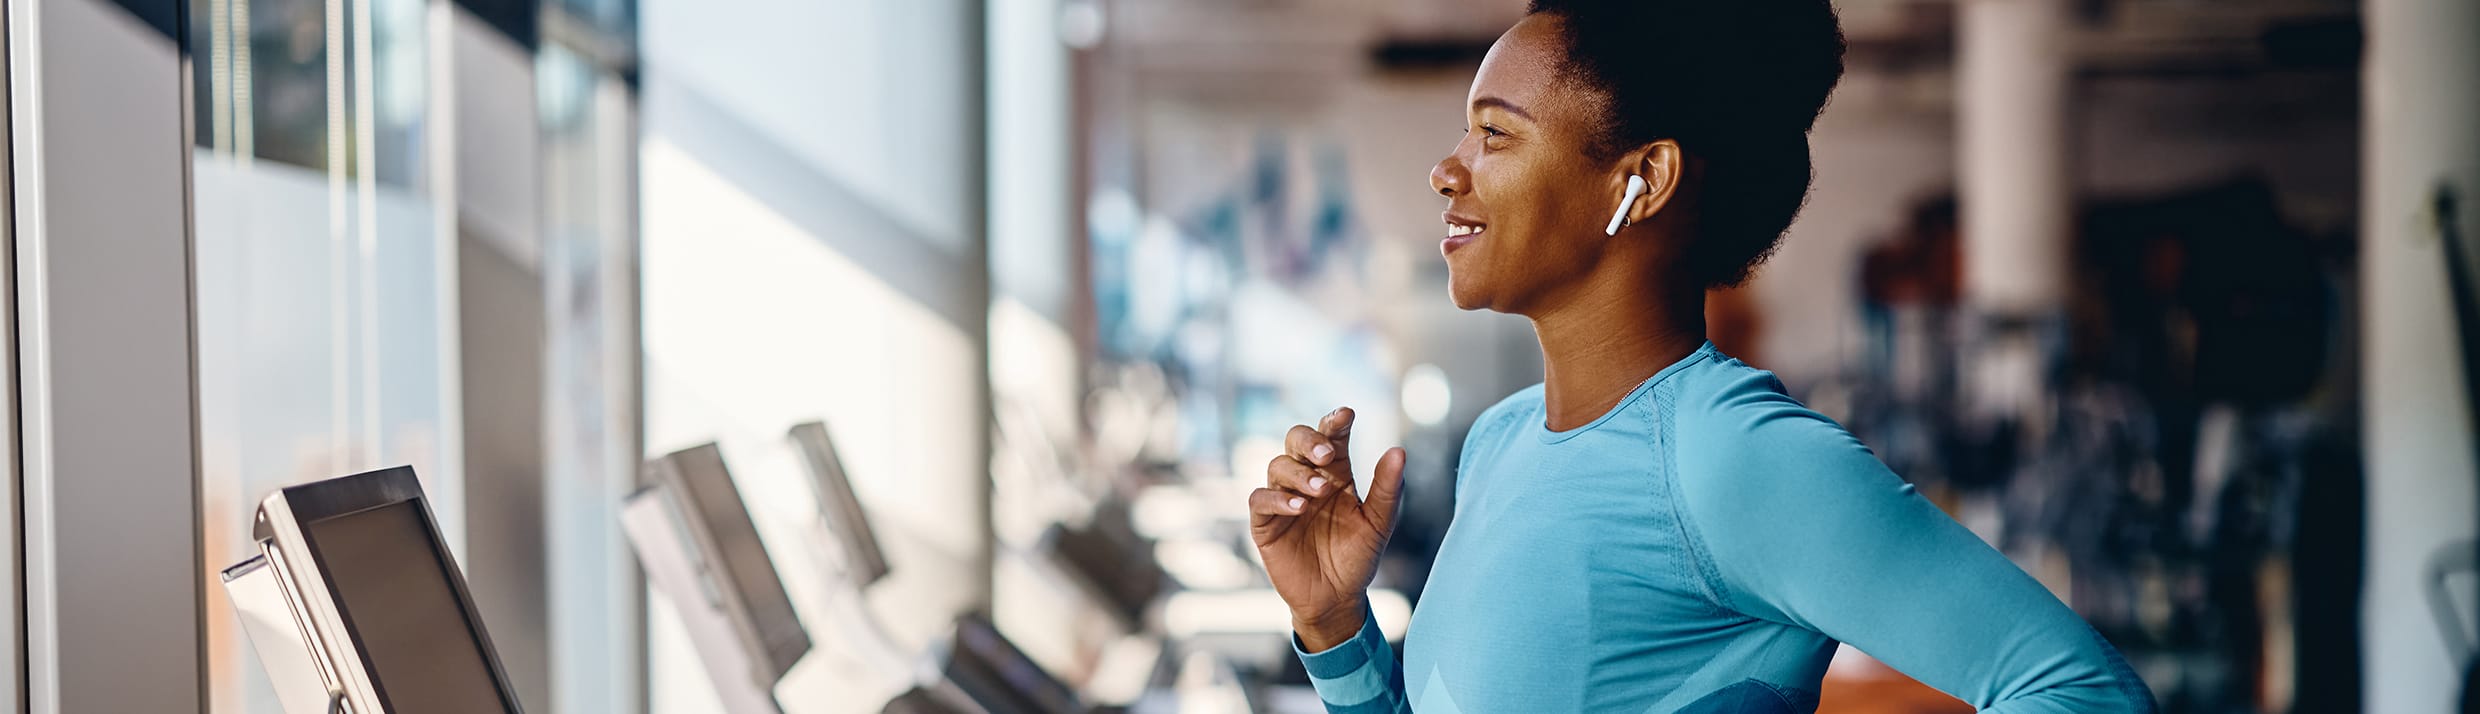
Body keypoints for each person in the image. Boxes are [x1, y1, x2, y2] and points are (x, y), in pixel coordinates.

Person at [1243, 1, 2159, 712]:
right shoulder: (1501, 441)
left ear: (1641, 182)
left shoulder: (1732, 457)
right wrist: (1332, 624)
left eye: (1496, 132)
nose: (1449, 169)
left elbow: (2081, 691)